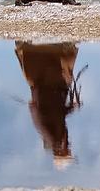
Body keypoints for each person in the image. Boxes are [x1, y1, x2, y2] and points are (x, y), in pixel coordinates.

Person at [14, 40, 82, 170]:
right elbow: (59, 115)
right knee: (62, 69)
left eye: (67, 152)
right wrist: (71, 108)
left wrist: (38, 95)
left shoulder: (51, 137)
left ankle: (55, 46)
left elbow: (38, 117)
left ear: (60, 152)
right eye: (69, 152)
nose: (69, 149)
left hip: (47, 90)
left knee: (50, 67)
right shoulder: (60, 139)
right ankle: (64, 46)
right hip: (54, 92)